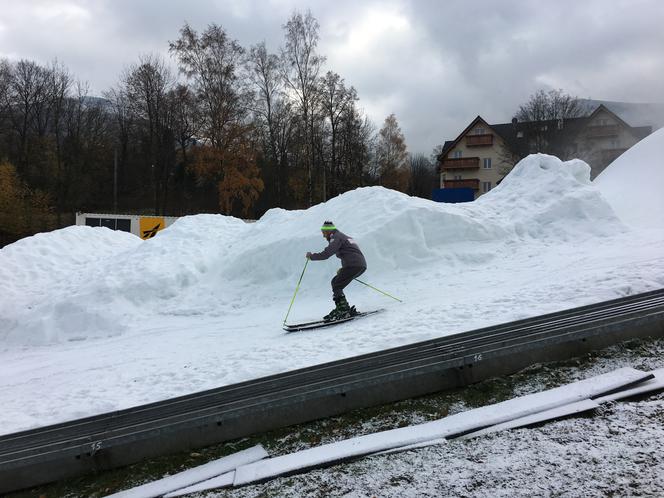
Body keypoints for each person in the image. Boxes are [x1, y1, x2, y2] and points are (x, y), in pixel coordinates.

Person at [306, 221, 367, 321]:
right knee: (336, 281)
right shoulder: (343, 236)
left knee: (337, 284)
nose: (323, 235)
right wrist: (344, 269)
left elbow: (327, 254)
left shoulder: (336, 237)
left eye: (324, 233)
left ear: (329, 231)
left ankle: (343, 310)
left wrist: (311, 256)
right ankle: (343, 308)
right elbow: (350, 252)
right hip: (360, 265)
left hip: (354, 265)